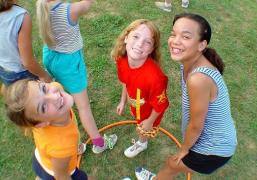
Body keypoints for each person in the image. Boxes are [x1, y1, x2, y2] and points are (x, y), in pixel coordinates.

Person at [135, 13, 237, 180]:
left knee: (171, 164)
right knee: (174, 166)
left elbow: (196, 125)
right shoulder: (191, 62)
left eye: (186, 36)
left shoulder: (198, 79)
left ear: (201, 44)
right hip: (218, 137)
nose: (175, 41)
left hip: (213, 150)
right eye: (173, 34)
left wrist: (184, 149)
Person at [36, 0, 117, 154]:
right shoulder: (70, 10)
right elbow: (87, 4)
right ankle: (99, 144)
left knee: (58, 98)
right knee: (83, 107)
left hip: (50, 57)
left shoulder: (42, 5)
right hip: (70, 64)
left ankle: (73, 144)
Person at [4, 79, 95, 180]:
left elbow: (56, 86)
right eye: (43, 107)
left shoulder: (55, 93)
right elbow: (61, 176)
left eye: (43, 88)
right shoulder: (62, 146)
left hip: (40, 159)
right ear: (41, 123)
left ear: (40, 82)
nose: (55, 96)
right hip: (53, 173)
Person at [111, 19, 169, 158]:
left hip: (150, 112)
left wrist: (149, 121)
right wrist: (123, 101)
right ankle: (141, 134)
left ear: (151, 49)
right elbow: (125, 81)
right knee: (138, 122)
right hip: (135, 105)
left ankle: (142, 143)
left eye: (148, 42)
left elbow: (161, 105)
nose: (140, 44)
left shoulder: (156, 78)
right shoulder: (121, 60)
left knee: (143, 129)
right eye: (136, 36)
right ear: (126, 38)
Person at [0, 0, 52, 86]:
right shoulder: (20, 16)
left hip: (3, 69)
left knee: (17, 96)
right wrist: (44, 75)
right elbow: (28, 62)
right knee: (35, 97)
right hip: (21, 73)